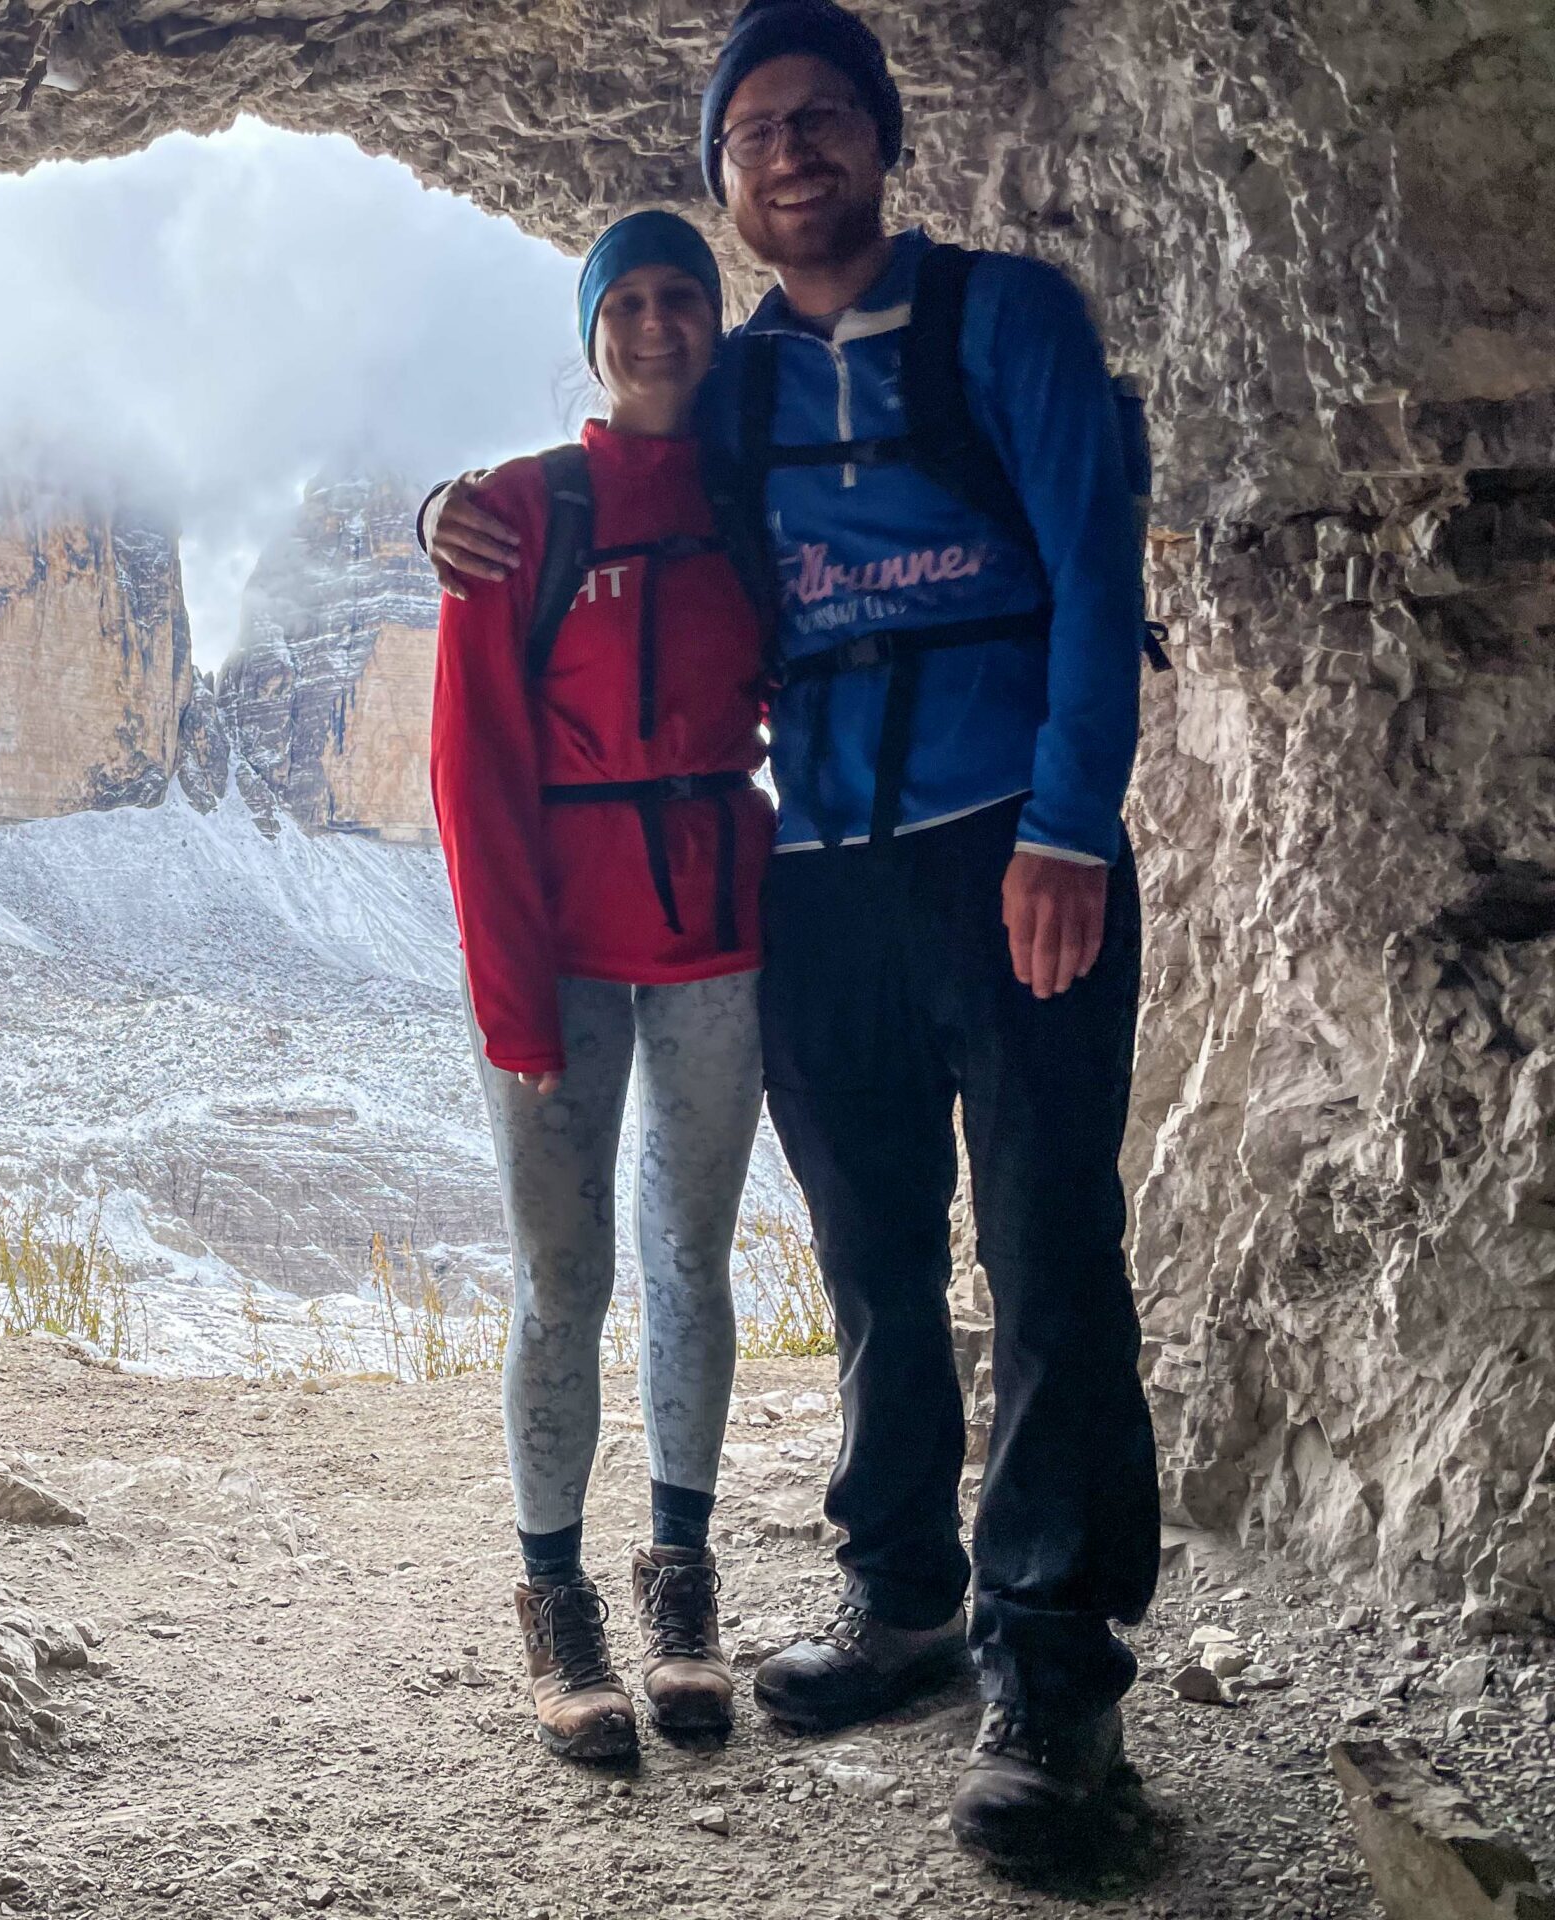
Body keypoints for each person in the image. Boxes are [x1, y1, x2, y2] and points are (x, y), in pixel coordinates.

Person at [423, 0, 1160, 1864]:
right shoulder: (742, 385)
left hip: (1012, 843)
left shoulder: (1012, 321)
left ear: (884, 138)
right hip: (819, 866)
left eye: (821, 117)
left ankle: (1055, 1668)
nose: (789, 152)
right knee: (875, 1247)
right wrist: (452, 516)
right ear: (723, 182)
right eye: (752, 134)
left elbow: (1096, 569)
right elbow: (622, 479)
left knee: (1051, 1244)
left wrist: (1072, 827)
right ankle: (904, 1596)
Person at [431, 210, 775, 1765]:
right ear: (592, 333)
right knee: (563, 1281)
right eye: (624, 302)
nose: (654, 326)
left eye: (680, 298)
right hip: (560, 958)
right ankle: (558, 1601)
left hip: (713, 935)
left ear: (716, 322)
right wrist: (509, 1000)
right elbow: (471, 773)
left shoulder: (753, 500)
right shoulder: (514, 514)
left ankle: (681, 1590)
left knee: (692, 1259)